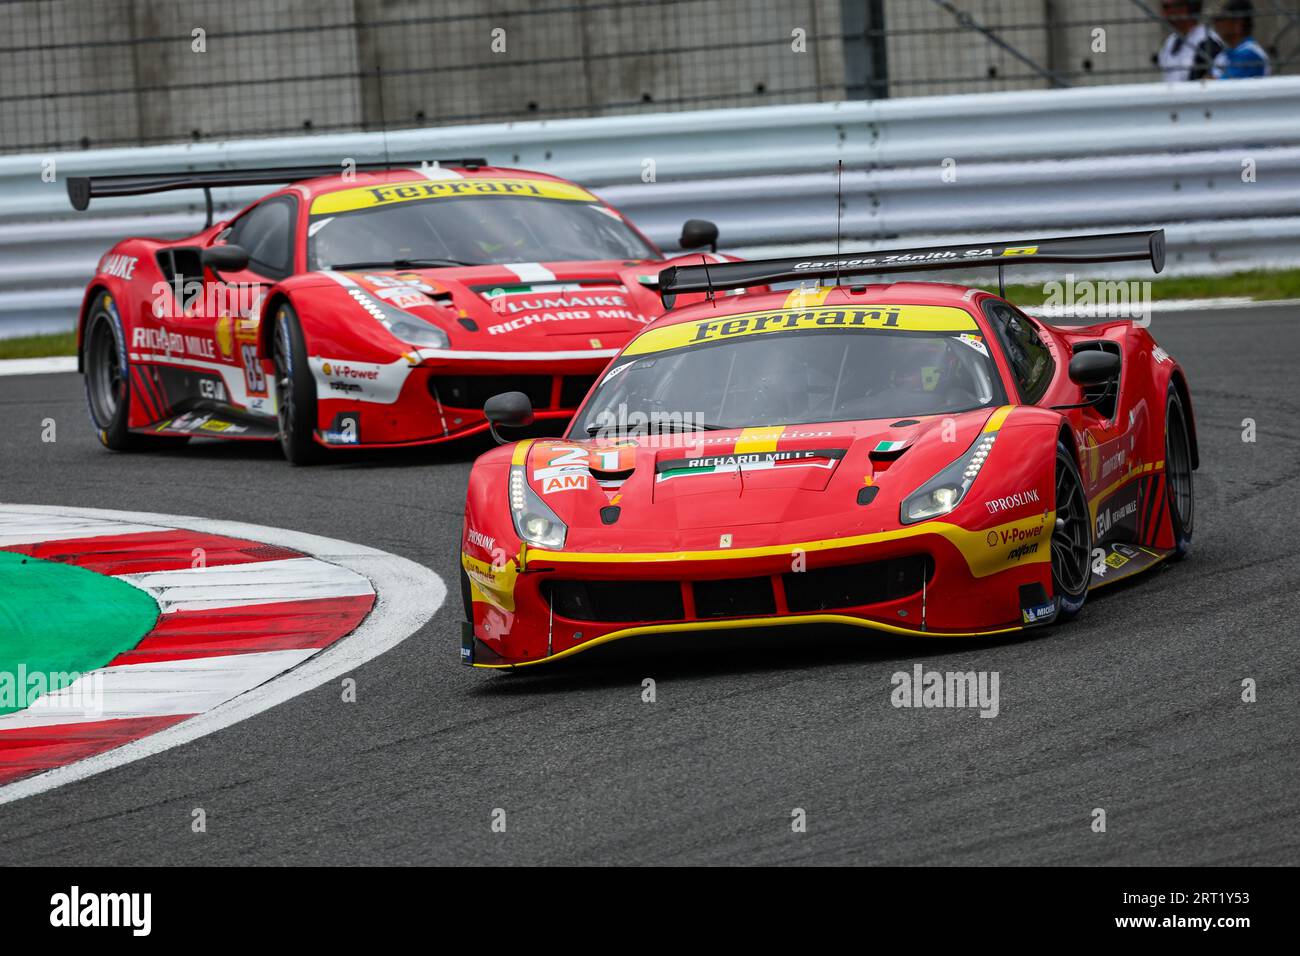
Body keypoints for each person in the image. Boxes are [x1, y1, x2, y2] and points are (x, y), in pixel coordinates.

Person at [1156, 0, 1223, 81]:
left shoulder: (1207, 42)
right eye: (1164, 7)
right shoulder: (1171, 40)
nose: (1165, 14)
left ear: (1186, 9)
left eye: (1168, 8)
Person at [1212, 0, 1271, 78]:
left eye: (1221, 19)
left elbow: (1223, 87)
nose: (1215, 24)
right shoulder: (1224, 54)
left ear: (1237, 23)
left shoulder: (1250, 54)